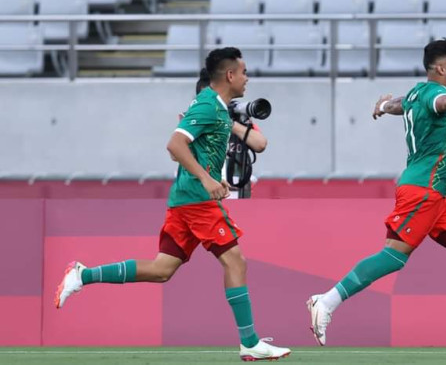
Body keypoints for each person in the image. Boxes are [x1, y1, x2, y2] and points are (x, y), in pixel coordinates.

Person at [55, 47, 290, 361]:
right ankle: (250, 343)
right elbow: (174, 145)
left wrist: (214, 178)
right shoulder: (207, 105)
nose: (247, 78)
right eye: (244, 72)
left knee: (161, 269)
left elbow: (205, 149)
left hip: (186, 199)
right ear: (230, 75)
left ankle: (82, 275)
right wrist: (206, 180)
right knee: (236, 262)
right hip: (197, 201)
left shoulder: (219, 109)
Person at [306, 39, 446, 356]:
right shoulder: (436, 94)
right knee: (394, 257)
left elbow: (402, 104)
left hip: (436, 194)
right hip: (423, 190)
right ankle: (326, 301)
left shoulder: (416, 93)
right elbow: (445, 103)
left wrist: (384, 106)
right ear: (440, 69)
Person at [195, 68, 267, 199]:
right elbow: (176, 153)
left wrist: (230, 124)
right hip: (205, 191)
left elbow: (260, 144)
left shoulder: (237, 117)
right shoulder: (194, 119)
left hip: (237, 188)